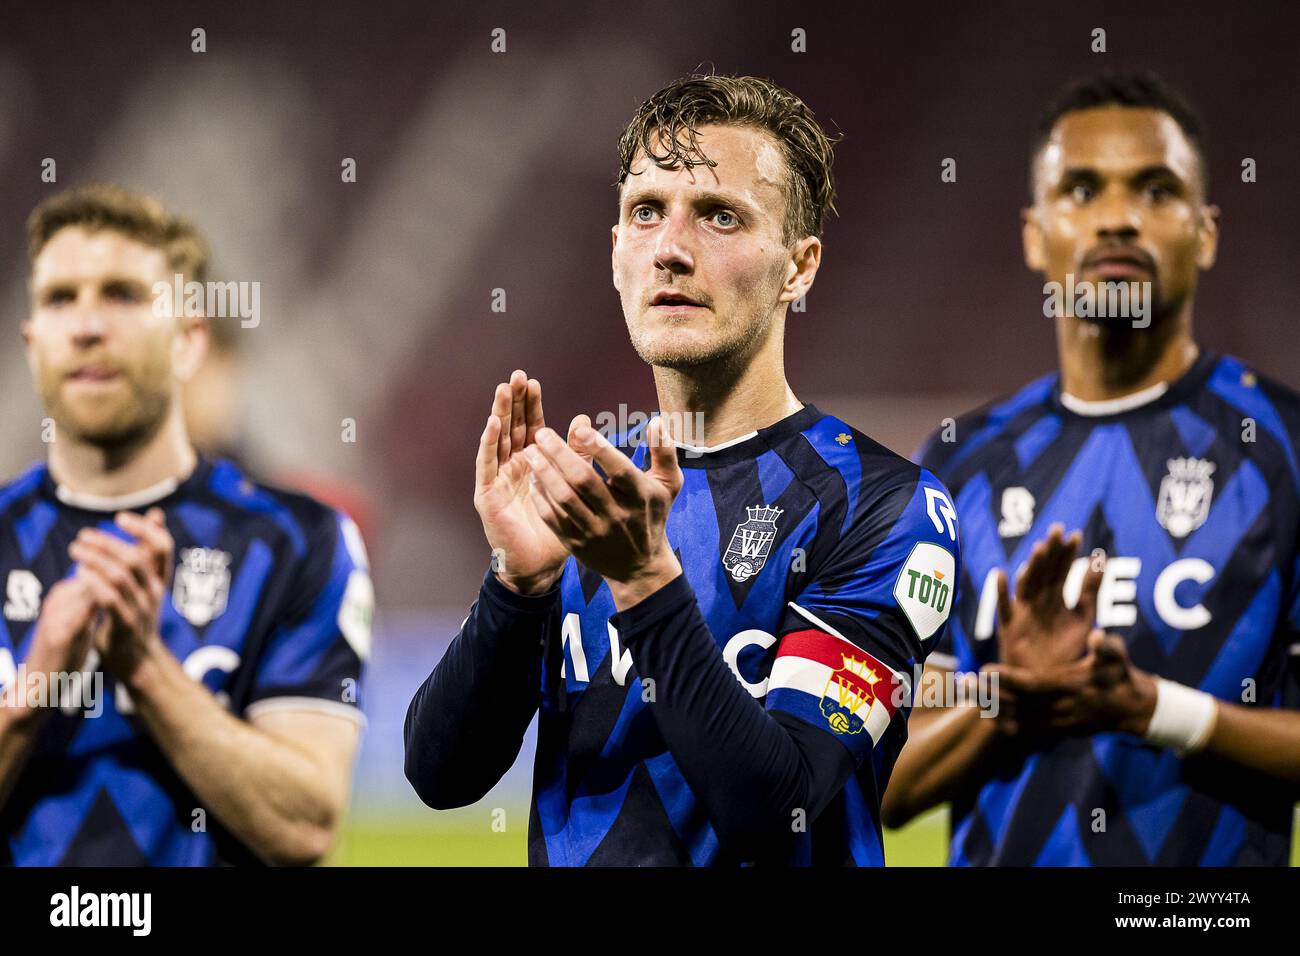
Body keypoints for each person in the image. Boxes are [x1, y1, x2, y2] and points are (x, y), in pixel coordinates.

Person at [405, 73, 960, 866]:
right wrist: (515, 590)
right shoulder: (588, 492)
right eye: (646, 212)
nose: (671, 248)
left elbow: (784, 810)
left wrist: (644, 585)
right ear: (615, 253)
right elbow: (440, 775)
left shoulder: (883, 506)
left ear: (797, 270)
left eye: (721, 216)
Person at [884, 73, 1300, 866]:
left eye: (1155, 189)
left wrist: (1154, 710)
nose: (1117, 217)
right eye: (1081, 189)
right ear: (1036, 235)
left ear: (1205, 232)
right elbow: (884, 781)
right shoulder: (954, 465)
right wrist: (1008, 696)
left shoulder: (1284, 448)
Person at [0, 183, 373, 865]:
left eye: (122, 295)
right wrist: (31, 691)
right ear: (31, 342)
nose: (87, 324)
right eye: (59, 298)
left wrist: (145, 669)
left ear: (189, 340)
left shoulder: (298, 543)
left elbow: (304, 829)